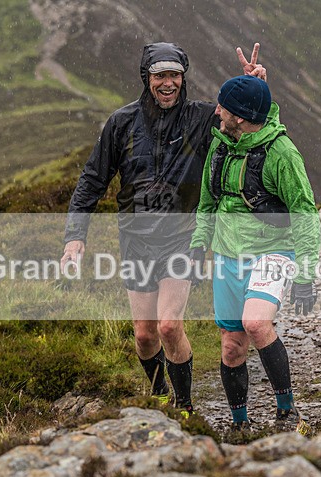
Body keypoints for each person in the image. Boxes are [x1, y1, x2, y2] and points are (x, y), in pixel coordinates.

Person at [61, 43, 266, 415]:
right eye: (160, 76)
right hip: (136, 239)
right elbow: (92, 179)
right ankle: (158, 395)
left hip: (182, 237)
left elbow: (248, 131)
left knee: (169, 326)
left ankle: (184, 408)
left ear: (183, 78)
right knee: (144, 334)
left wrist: (254, 88)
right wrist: (75, 236)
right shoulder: (122, 123)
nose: (168, 83)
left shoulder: (202, 118)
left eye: (174, 75)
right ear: (147, 78)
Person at [189, 75, 320, 433]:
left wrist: (305, 275)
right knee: (232, 346)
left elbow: (304, 213)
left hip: (272, 251)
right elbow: (207, 203)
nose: (216, 111)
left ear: (241, 118)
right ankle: (239, 425)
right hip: (226, 255)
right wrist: (199, 246)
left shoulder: (282, 153)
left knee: (256, 324)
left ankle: (287, 412)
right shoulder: (221, 145)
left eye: (223, 107)